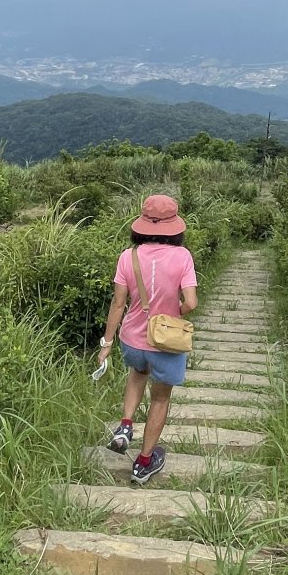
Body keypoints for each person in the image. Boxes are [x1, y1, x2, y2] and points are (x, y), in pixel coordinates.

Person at [97, 194, 198, 485]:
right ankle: (143, 463)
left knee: (137, 372)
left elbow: (118, 304)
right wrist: (172, 312)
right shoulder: (183, 257)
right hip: (165, 342)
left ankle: (125, 426)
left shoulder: (128, 256)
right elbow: (191, 303)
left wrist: (106, 344)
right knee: (161, 397)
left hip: (132, 338)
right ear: (175, 227)